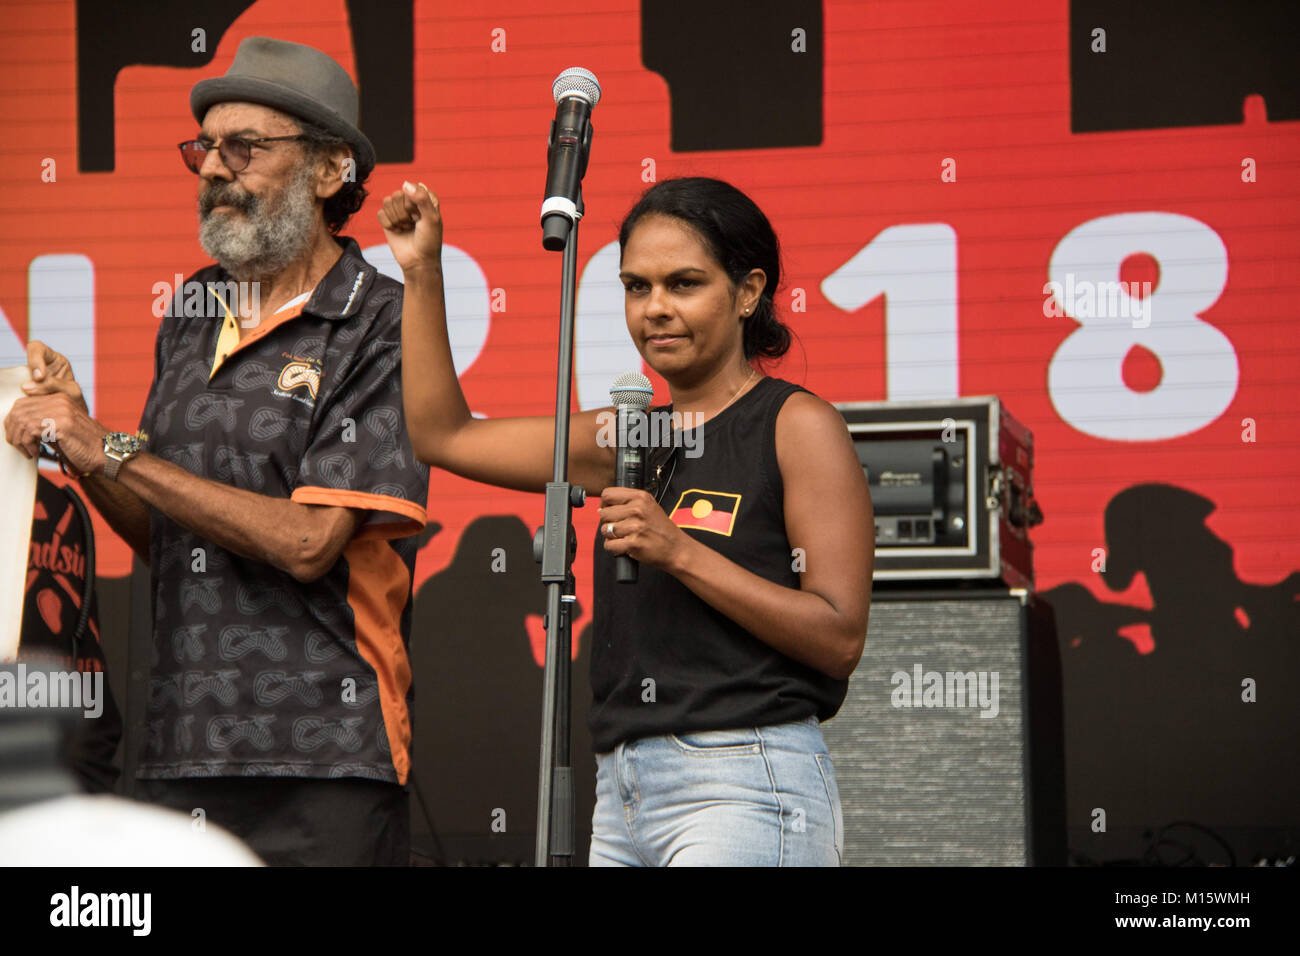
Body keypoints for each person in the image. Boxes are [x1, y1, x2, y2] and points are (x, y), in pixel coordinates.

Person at [3, 37, 429, 866]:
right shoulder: (198, 305)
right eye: (205, 148)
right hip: (179, 751)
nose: (211, 168)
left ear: (329, 168)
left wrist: (110, 450)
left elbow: (309, 544)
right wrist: (87, 441)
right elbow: (167, 534)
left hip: (325, 758)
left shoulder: (384, 319)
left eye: (245, 148)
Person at [379, 175, 873, 865]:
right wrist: (423, 271)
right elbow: (444, 436)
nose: (655, 309)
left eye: (684, 283)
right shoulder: (627, 435)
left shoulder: (796, 424)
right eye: (636, 287)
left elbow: (840, 636)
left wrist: (679, 552)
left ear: (750, 292)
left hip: (744, 781)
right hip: (621, 789)